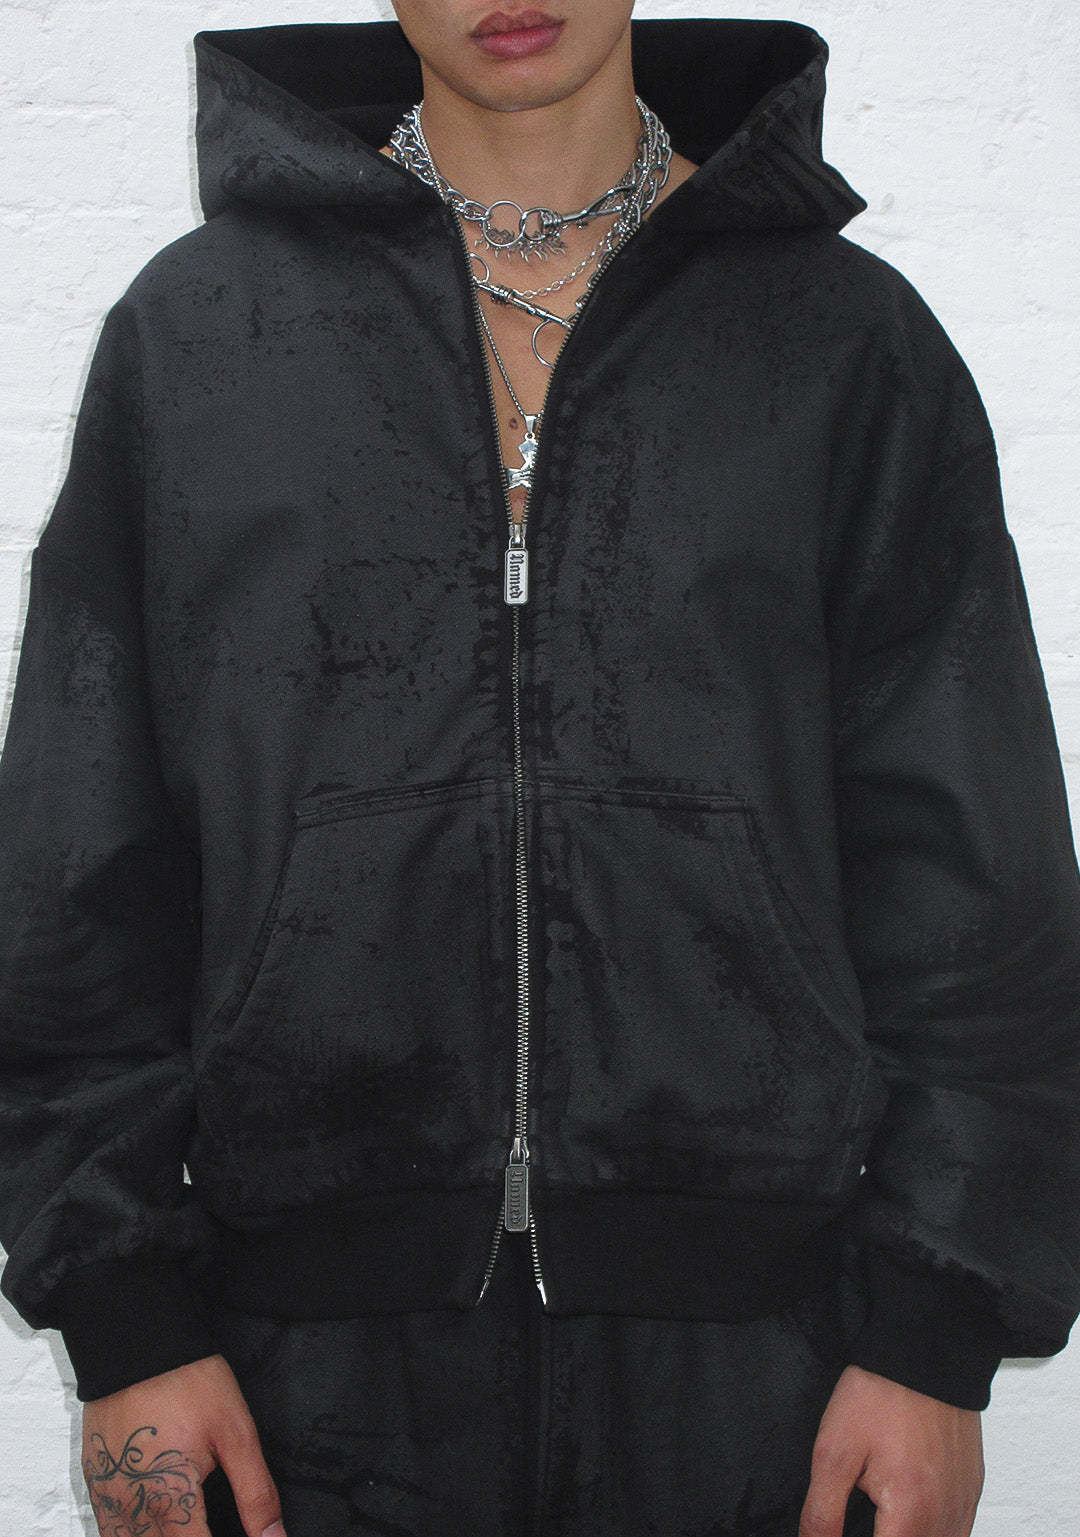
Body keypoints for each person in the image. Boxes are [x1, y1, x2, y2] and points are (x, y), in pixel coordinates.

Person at [0, 4, 1078, 1535]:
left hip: (764, 1393)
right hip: (295, 1390)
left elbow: (977, 877)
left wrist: (933, 1331)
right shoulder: (197, 340)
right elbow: (73, 866)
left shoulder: (844, 342)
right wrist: (126, 1319)